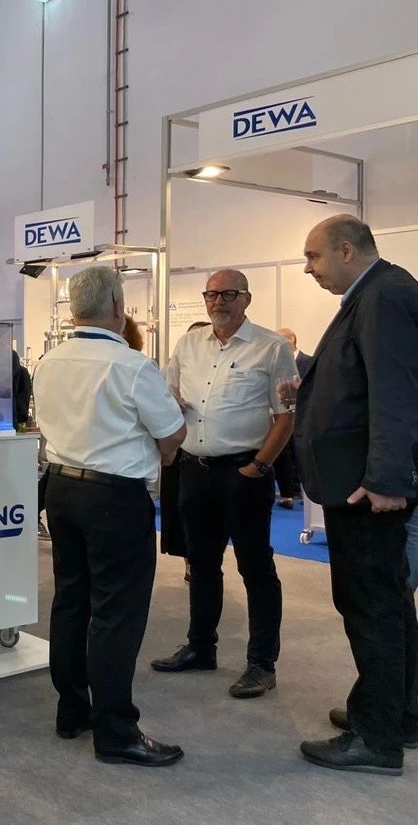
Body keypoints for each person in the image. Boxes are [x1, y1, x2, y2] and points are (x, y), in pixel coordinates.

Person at [33, 266, 187, 767]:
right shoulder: (133, 366)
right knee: (117, 613)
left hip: (61, 489)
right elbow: (172, 435)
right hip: (114, 497)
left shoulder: (49, 361)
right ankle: (116, 731)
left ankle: (71, 710)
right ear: (119, 307)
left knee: (71, 602)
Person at [290, 214, 418, 775]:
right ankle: (398, 713)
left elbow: (396, 393)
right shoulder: (375, 294)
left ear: (346, 250)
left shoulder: (384, 296)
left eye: (313, 256)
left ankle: (376, 736)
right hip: (358, 481)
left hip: (367, 489)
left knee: (371, 606)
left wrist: (388, 479)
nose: (308, 268)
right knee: (386, 601)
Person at [152, 269, 296, 700]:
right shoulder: (188, 345)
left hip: (243, 473)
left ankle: (262, 664)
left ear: (246, 299)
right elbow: (168, 393)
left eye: (229, 294)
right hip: (195, 471)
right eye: (211, 294)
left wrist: (259, 466)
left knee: (256, 567)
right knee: (200, 563)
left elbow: (286, 415)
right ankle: (201, 648)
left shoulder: (271, 348)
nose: (218, 302)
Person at [158, 321, 211, 579]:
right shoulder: (169, 372)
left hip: (213, 454)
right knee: (180, 511)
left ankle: (201, 561)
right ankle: (190, 561)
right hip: (179, 452)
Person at [271, 327, 312, 509]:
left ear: (291, 340)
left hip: (304, 417)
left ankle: (307, 492)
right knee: (284, 455)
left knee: (303, 454)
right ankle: (291, 490)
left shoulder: (309, 362)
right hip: (281, 417)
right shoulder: (275, 365)